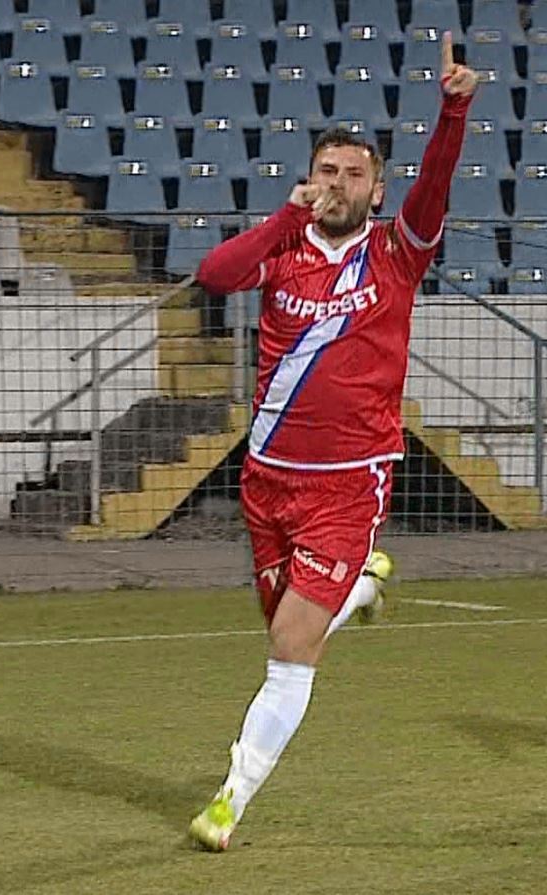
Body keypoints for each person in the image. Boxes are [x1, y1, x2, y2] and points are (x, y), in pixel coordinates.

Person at [185, 31, 479, 852]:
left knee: (288, 651)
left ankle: (229, 799)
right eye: (327, 171)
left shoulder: (395, 252)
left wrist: (453, 109)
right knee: (285, 623)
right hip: (266, 478)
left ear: (377, 189)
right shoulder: (281, 250)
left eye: (354, 174)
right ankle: (358, 590)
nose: (338, 184)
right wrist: (286, 215)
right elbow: (213, 275)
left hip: (350, 480)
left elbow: (438, 188)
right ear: (309, 179)